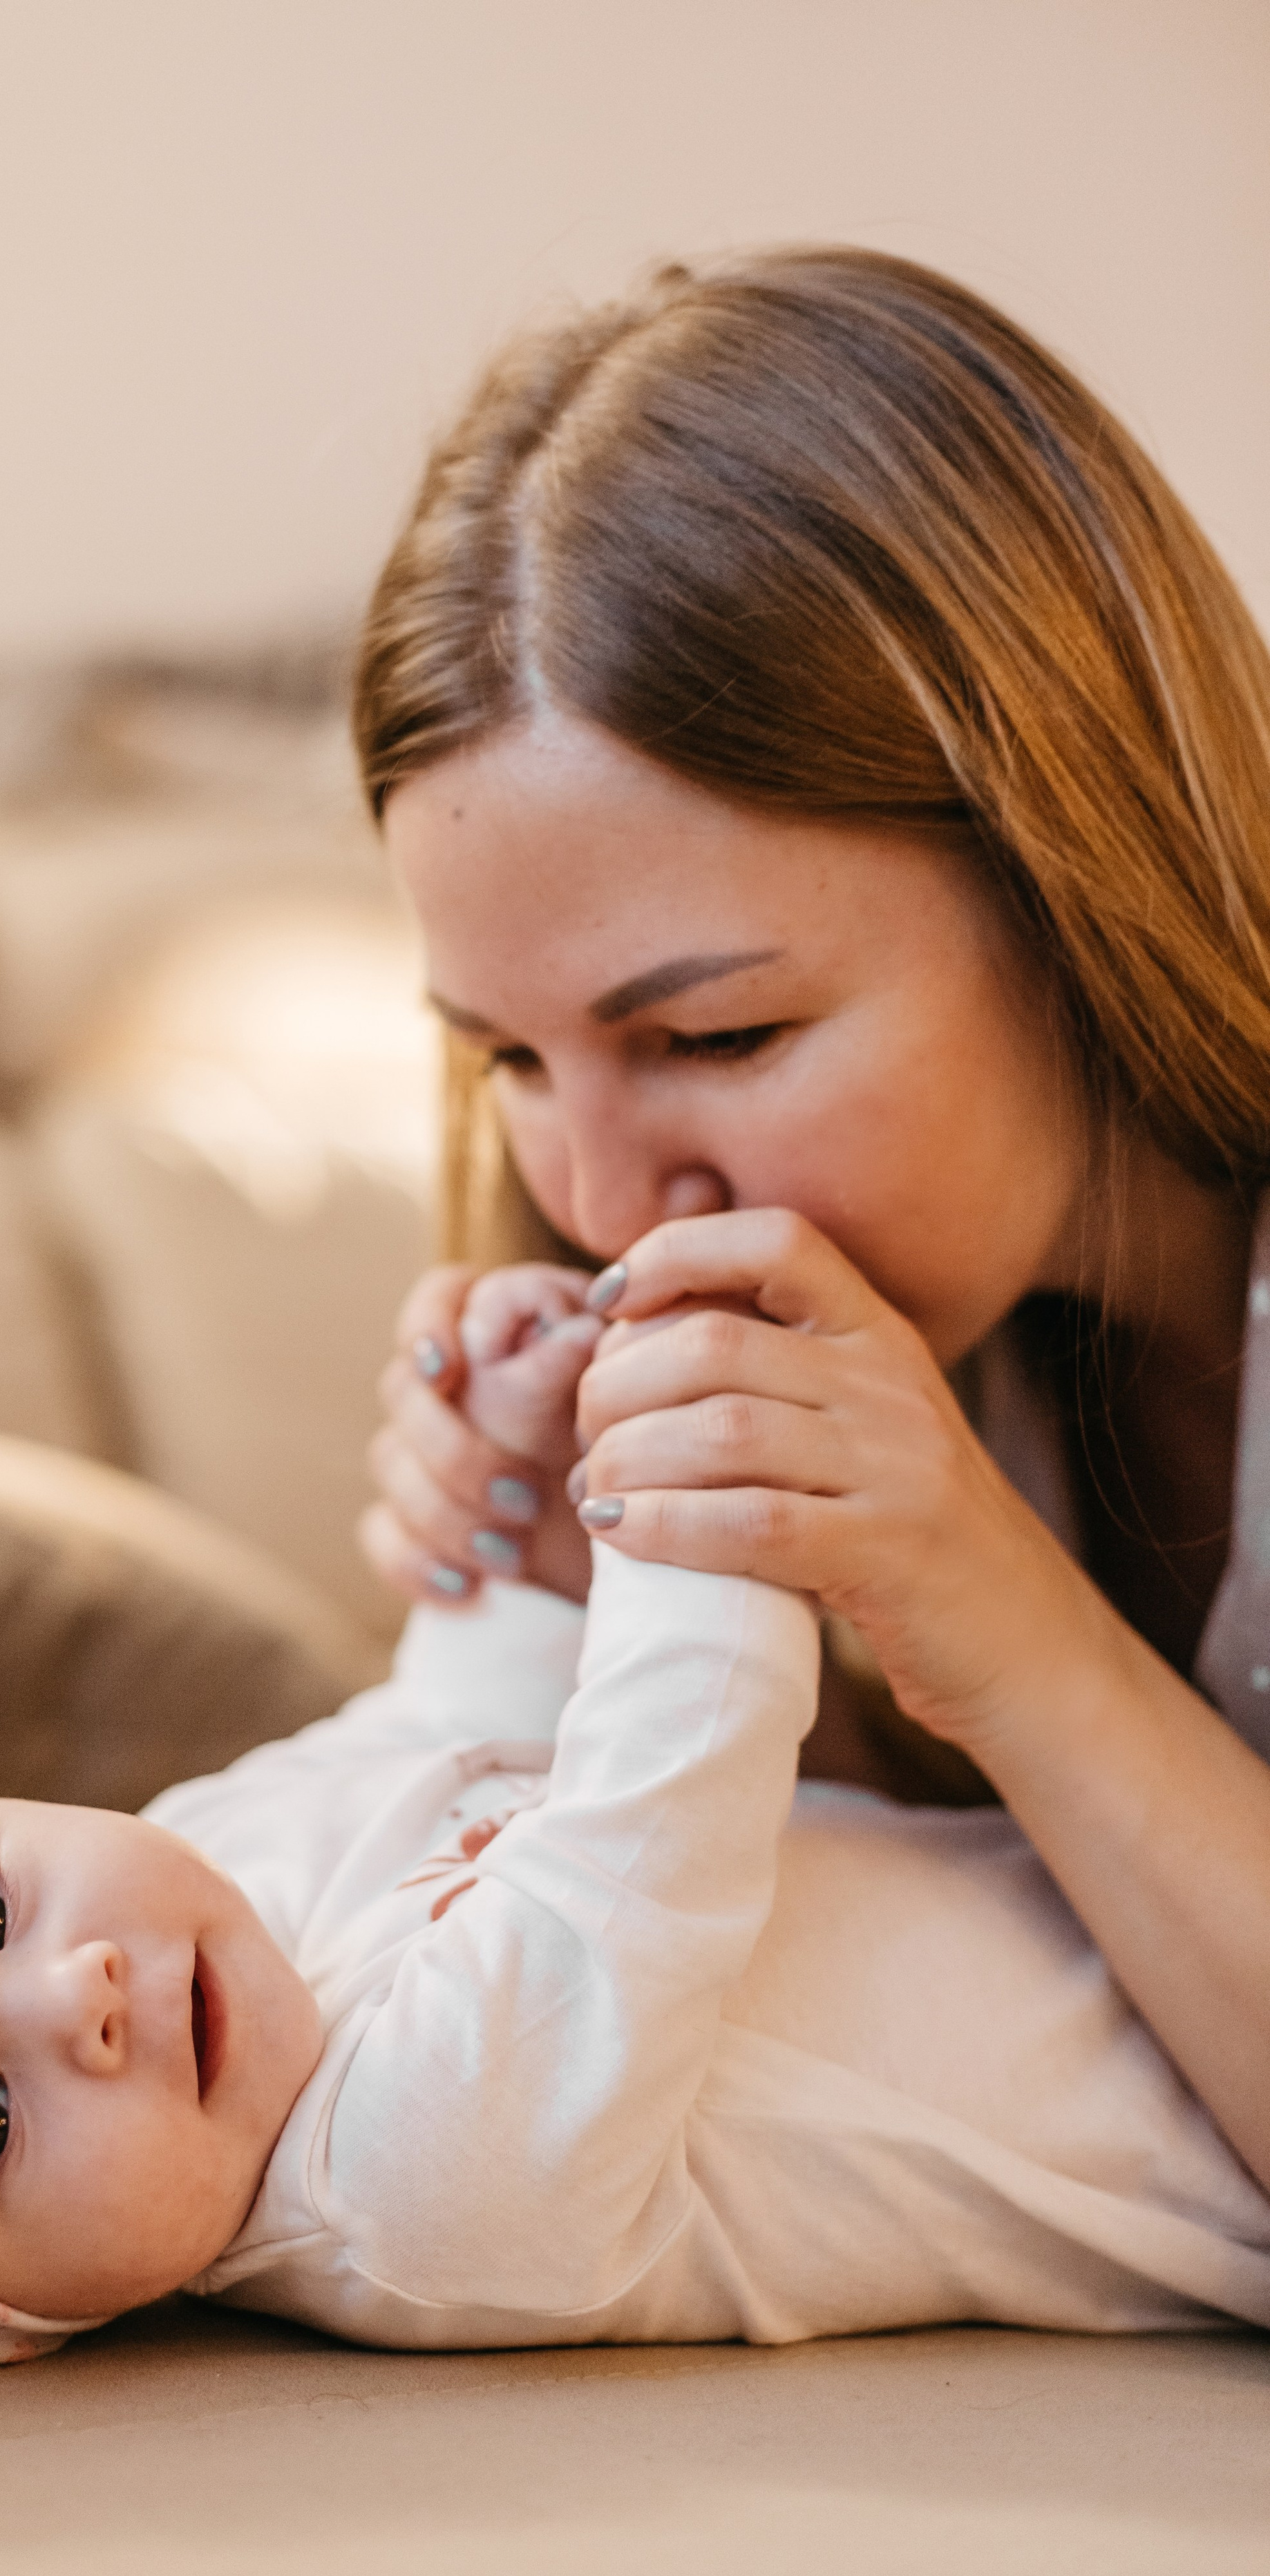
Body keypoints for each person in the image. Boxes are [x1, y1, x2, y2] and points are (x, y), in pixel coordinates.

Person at [0, 1262, 1267, 2378]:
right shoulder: (411, 2189)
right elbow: (666, 1787)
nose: (75, 1997)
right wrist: (682, 1458)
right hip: (1222, 2121)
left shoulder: (214, 1863)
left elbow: (450, 1725)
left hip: (1164, 1869)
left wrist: (518, 1475)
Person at [351, 245, 1270, 2204]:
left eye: (714, 1032)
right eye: (508, 1054)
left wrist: (1003, 1625)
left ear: (1075, 871)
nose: (600, 1203)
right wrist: (620, 1626)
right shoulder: (941, 1313)